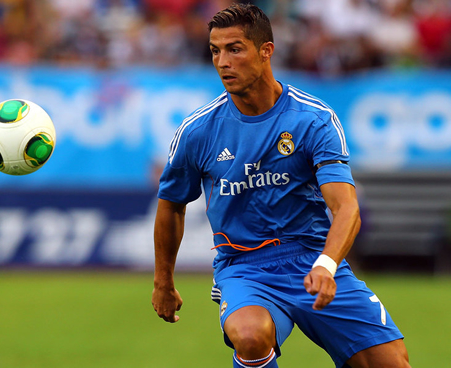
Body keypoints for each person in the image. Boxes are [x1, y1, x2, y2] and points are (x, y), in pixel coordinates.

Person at [152, 3, 411, 368]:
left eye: (235, 49)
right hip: (245, 265)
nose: (222, 61)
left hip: (312, 258)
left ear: (266, 51)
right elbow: (171, 204)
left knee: (391, 365)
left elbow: (346, 207)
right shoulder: (197, 130)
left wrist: (327, 264)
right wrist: (163, 280)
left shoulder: (313, 119)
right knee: (250, 335)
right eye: (215, 51)